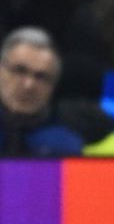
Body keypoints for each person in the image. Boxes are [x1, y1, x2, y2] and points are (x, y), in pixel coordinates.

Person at [0, 27, 83, 157]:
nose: (29, 85)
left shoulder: (65, 146)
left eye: (41, 77)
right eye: (19, 71)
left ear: (53, 86)